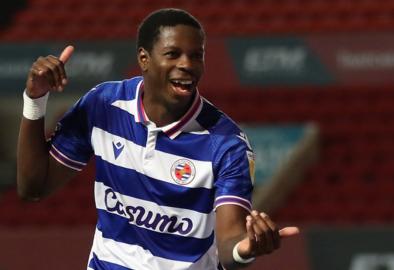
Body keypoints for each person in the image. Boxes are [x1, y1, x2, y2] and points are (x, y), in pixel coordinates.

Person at [17, 8, 299, 270]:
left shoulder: (227, 144)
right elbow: (34, 187)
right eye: (173, 54)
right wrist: (35, 99)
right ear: (144, 59)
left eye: (196, 55)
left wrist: (245, 249)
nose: (187, 64)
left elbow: (229, 244)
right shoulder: (103, 106)